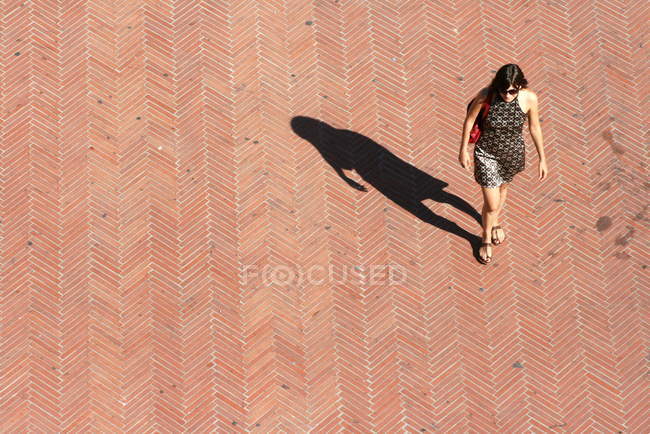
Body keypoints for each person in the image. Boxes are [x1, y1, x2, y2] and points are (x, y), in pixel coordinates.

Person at [458, 64, 548, 264]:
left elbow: (535, 127)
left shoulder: (529, 98)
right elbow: (470, 121)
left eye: (512, 91)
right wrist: (463, 149)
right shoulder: (486, 95)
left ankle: (495, 222)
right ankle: (486, 238)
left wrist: (543, 158)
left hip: (512, 154)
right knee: (492, 203)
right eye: (502, 90)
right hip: (486, 154)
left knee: (503, 189)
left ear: (520, 86)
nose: (506, 95)